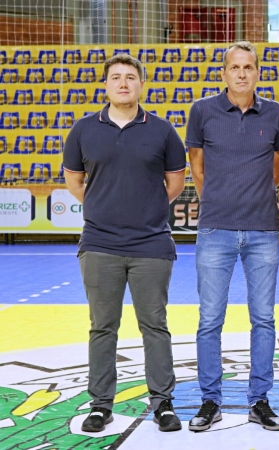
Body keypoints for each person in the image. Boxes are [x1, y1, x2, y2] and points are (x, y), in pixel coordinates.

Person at [63, 54, 186, 433]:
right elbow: (74, 181)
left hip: (151, 244)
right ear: (105, 85)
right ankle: (101, 405)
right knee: (103, 327)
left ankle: (162, 402)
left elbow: (176, 182)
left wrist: (147, 211)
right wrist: (103, 209)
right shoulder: (83, 130)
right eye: (115, 77)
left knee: (155, 325)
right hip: (99, 244)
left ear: (141, 85)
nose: (122, 83)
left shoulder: (163, 131)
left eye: (130, 77)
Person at [185, 41, 279, 432]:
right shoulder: (202, 111)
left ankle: (259, 400)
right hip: (215, 229)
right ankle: (210, 400)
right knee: (210, 319)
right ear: (225, 72)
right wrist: (219, 198)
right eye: (235, 67)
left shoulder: (276, 113)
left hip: (264, 230)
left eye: (249, 67)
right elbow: (196, 166)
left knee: (263, 319)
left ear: (257, 72)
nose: (242, 73)